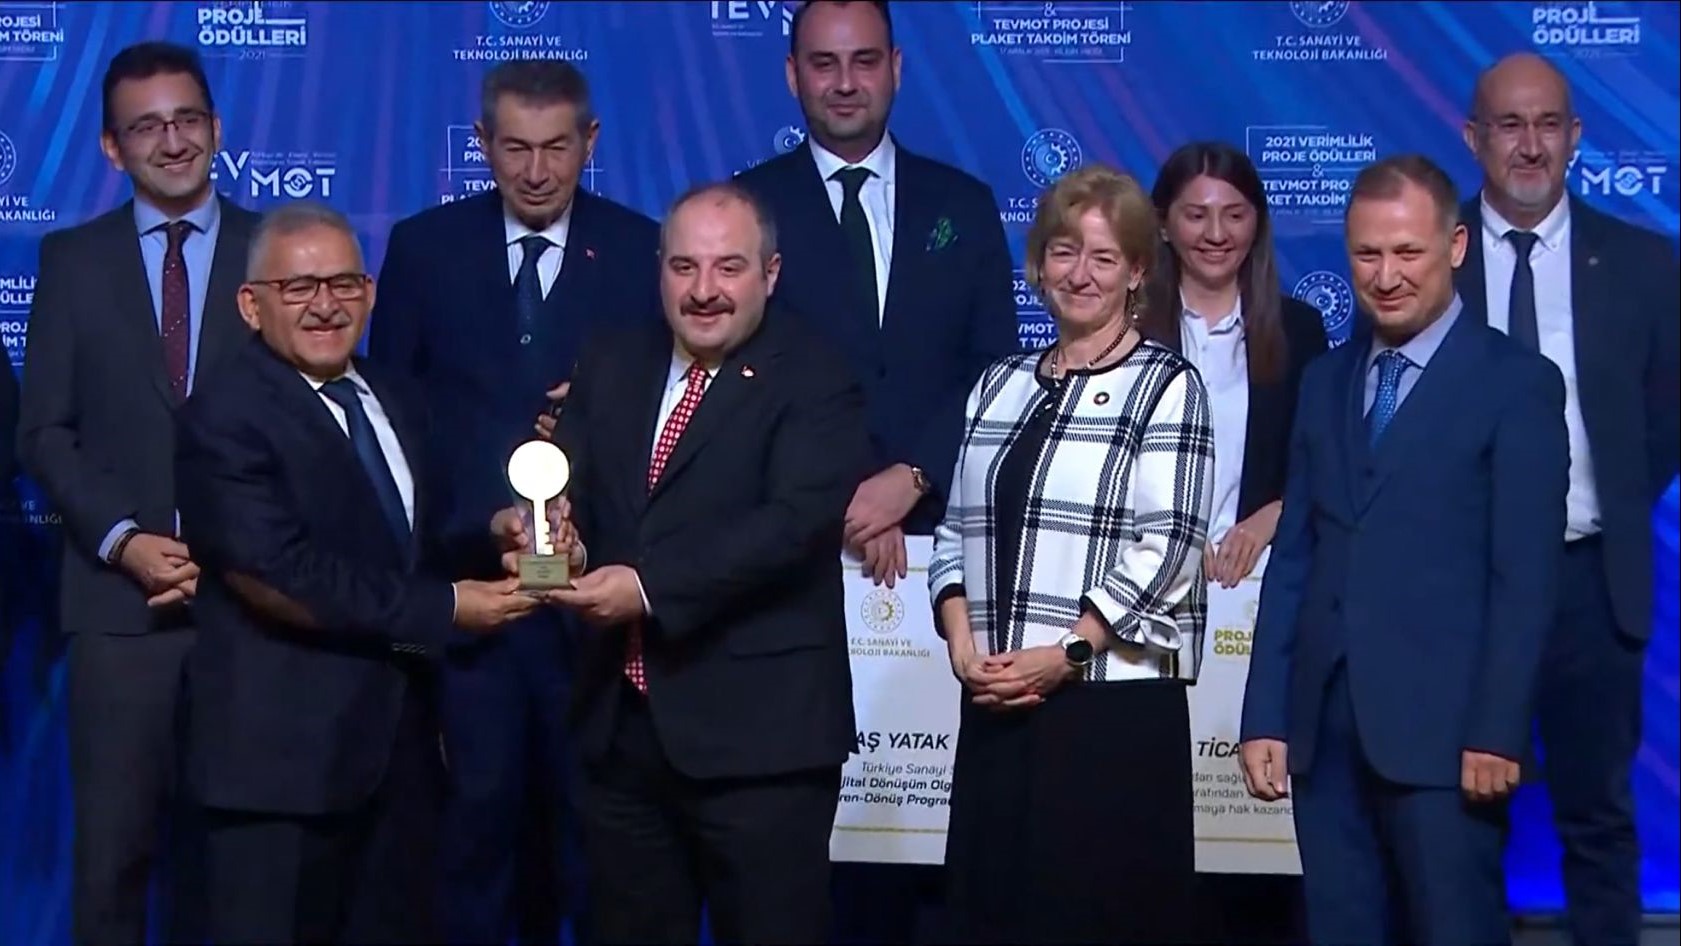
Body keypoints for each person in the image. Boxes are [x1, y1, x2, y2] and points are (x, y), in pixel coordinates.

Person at [174, 201, 542, 945]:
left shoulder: (395, 393)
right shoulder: (223, 413)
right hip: (280, 772)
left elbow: (409, 542)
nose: (326, 305)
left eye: (344, 283)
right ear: (251, 305)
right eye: (299, 288)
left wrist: (493, 534)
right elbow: (279, 574)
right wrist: (446, 608)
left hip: (401, 763)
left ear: (370, 294)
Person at [525, 181, 868, 945]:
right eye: (683, 267)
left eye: (727, 268)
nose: (703, 290)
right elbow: (568, 491)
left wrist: (646, 587)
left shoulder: (815, 374)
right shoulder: (612, 358)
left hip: (761, 742)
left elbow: (790, 525)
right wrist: (551, 538)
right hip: (619, 731)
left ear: (769, 274)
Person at [1239, 155, 1570, 944]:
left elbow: (1524, 578)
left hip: (1448, 739)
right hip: (1324, 737)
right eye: (1366, 254)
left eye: (1406, 253)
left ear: (1454, 247)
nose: (1384, 276)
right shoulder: (1323, 381)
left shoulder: (1516, 384)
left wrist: (1496, 729)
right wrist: (1265, 714)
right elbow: (1295, 557)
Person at [368, 58, 660, 944]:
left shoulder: (644, 251)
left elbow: (668, 423)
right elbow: (390, 425)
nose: (536, 171)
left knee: (596, 846)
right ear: (482, 144)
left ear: (590, 142)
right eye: (516, 149)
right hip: (470, 609)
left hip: (595, 610)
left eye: (557, 148)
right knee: (473, 842)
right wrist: (474, 521)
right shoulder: (423, 249)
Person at [928, 164, 1216, 945]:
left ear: (1137, 272)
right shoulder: (999, 384)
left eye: (1102, 256)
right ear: (1037, 265)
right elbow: (954, 532)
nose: (1079, 273)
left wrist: (1069, 652)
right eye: (1063, 251)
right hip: (998, 701)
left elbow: (1169, 546)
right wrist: (961, 643)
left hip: (1109, 712)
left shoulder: (1167, 385)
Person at [15, 41, 257, 946]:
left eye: (187, 119)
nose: (173, 141)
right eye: (147, 127)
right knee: (113, 865)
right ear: (112, 148)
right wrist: (124, 539)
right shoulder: (71, 261)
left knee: (236, 871)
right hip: (118, 615)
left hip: (254, 613)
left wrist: (237, 549)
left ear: (216, 129)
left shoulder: (278, 253)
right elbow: (44, 431)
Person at [1456, 53, 1681, 946]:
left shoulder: (1642, 262)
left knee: (1598, 819)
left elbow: (1663, 422)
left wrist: (1603, 500)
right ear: (1473, 137)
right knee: (1460, 826)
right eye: (1509, 125)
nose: (1529, 144)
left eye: (1547, 124)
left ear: (1575, 137)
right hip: (1463, 589)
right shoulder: (1424, 259)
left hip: (1591, 585)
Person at [735, 0, 1017, 587]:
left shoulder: (963, 204)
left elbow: (995, 369)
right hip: (788, 548)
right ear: (792, 74)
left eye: (864, 61)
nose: (844, 83)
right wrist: (848, 497)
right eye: (824, 63)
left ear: (896, 67)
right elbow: (739, 376)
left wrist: (912, 477)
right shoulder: (745, 209)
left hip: (950, 540)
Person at [1143, 141, 1328, 589]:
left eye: (1234, 215)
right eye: (1196, 216)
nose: (1216, 234)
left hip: (1259, 587)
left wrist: (1275, 515)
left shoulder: (1299, 331)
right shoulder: (1127, 331)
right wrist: (1175, 532)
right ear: (1163, 224)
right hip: (1142, 580)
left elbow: (1324, 464)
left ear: (1257, 222)